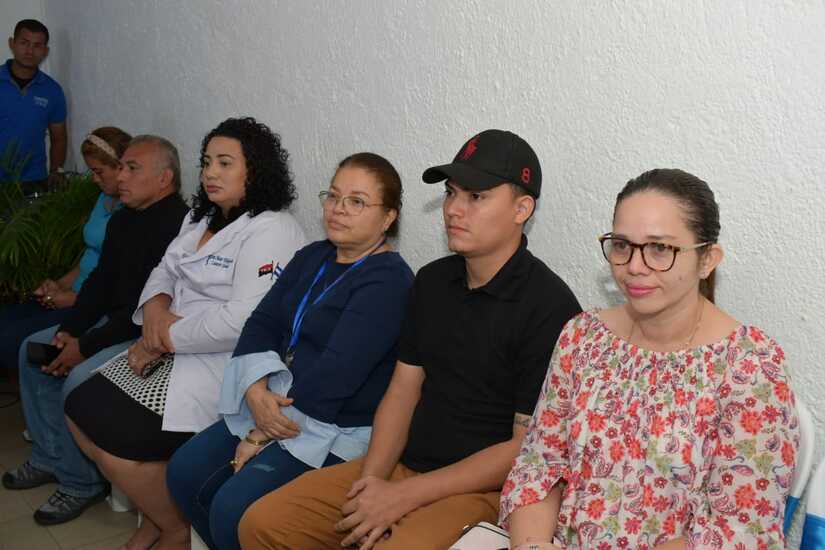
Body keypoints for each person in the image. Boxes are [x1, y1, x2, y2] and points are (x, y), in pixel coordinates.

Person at [238, 130, 582, 550]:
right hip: (405, 466)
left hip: (483, 490)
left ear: (521, 208)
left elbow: (524, 447)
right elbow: (402, 390)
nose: (453, 209)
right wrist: (372, 484)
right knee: (262, 524)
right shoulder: (434, 281)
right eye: (451, 193)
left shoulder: (549, 306)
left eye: (476, 197)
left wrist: (404, 495)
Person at [500, 169, 800, 550]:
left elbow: (740, 532)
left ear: (707, 260)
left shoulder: (750, 367)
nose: (634, 266)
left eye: (660, 248)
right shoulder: (582, 337)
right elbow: (539, 465)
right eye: (622, 245)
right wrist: (530, 546)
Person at [64, 117, 307, 550]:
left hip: (221, 363)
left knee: (116, 434)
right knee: (78, 407)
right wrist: (156, 310)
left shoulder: (273, 228)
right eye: (207, 162)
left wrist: (163, 337)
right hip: (166, 343)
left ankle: (171, 528)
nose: (211, 172)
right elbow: (164, 271)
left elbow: (243, 320)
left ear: (255, 170)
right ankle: (161, 517)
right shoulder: (200, 216)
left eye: (225, 163)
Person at [167, 152, 414, 550]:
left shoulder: (389, 282)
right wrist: (254, 389)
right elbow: (261, 323)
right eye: (333, 196)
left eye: (356, 202)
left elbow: (336, 375)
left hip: (333, 425)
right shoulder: (313, 256)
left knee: (233, 508)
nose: (338, 209)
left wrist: (260, 431)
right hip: (276, 401)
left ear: (388, 218)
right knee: (184, 471)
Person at [2, 135, 189, 526]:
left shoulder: (178, 227)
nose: (120, 177)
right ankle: (49, 458)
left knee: (78, 380)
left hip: (146, 336)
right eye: (120, 168)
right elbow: (100, 285)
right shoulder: (124, 219)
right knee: (34, 350)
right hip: (111, 324)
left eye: (132, 168)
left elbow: (141, 310)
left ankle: (80, 483)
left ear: (164, 179)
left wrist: (85, 346)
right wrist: (70, 331)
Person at [0, 127, 131, 375]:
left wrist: (71, 298)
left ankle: (52, 378)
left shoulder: (132, 213)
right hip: (72, 293)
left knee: (11, 341)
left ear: (121, 167)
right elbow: (89, 256)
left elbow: (118, 285)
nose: (94, 179)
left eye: (98, 172)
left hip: (91, 306)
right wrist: (58, 285)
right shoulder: (103, 199)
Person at [0, 19, 66, 190]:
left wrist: (56, 171)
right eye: (24, 43)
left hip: (34, 180)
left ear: (45, 51)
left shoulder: (52, 90)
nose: (30, 51)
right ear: (12, 44)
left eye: (37, 45)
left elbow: (59, 137)